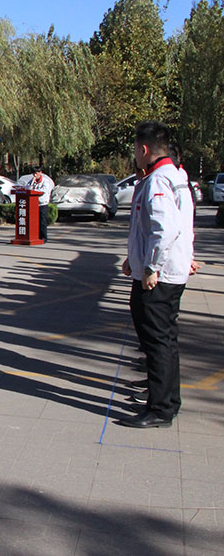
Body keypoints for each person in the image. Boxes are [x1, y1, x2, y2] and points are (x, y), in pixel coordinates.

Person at [119, 121, 195, 429]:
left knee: (158, 340)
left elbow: (165, 230)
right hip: (165, 271)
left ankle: (161, 408)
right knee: (164, 340)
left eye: (136, 149)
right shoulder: (170, 176)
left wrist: (151, 267)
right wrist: (134, 260)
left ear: (144, 149)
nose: (135, 155)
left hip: (159, 276)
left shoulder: (159, 180)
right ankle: (164, 399)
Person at [23, 167, 54, 243]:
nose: (35, 175)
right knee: (34, 222)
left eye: (36, 173)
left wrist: (34, 190)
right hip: (33, 204)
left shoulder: (45, 181)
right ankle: (36, 236)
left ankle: (43, 237)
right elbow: (27, 189)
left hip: (42, 204)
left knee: (42, 221)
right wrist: (32, 183)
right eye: (34, 173)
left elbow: (43, 191)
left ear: (40, 172)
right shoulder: (32, 181)